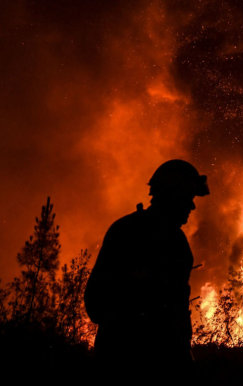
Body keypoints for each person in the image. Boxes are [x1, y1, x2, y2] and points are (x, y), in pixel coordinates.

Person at [84, 159, 209, 373]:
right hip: (124, 365)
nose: (192, 205)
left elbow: (176, 314)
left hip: (160, 366)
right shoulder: (129, 234)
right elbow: (96, 303)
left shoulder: (175, 242)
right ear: (173, 195)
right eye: (188, 197)